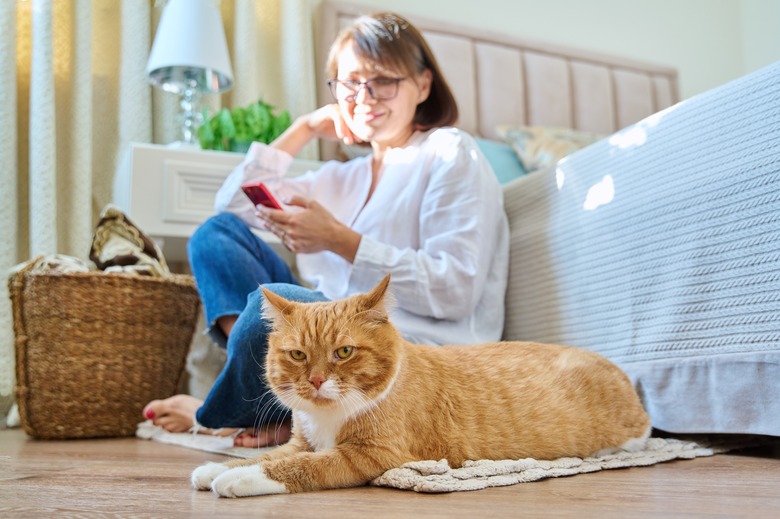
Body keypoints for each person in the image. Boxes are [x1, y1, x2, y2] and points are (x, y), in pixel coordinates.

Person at [143, 12, 509, 447]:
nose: (365, 96)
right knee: (215, 236)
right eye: (350, 82)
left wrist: (341, 241)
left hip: (395, 349)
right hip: (319, 349)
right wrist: (305, 128)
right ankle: (283, 412)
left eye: (384, 80)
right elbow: (234, 203)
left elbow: (456, 288)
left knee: (264, 326)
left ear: (423, 85)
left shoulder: (449, 153)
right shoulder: (341, 177)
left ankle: (220, 412)